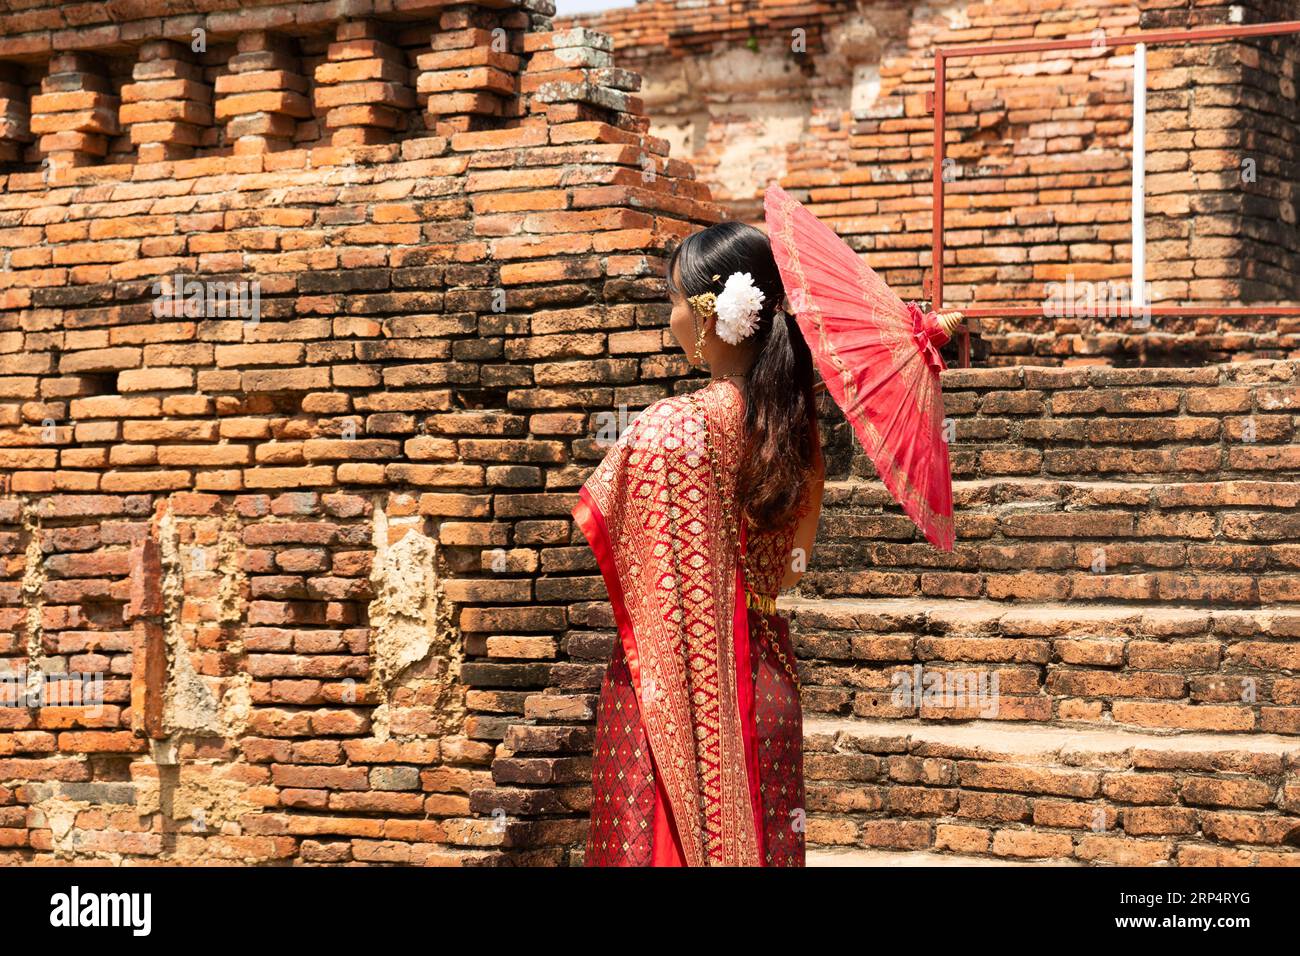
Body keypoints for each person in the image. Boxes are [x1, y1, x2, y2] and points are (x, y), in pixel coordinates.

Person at [572, 220, 826, 866]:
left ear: (711, 314)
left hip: (672, 692)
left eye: (674, 300)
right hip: (767, 681)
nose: (671, 316)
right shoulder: (797, 432)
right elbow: (790, 571)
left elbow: (606, 527)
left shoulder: (674, 427)